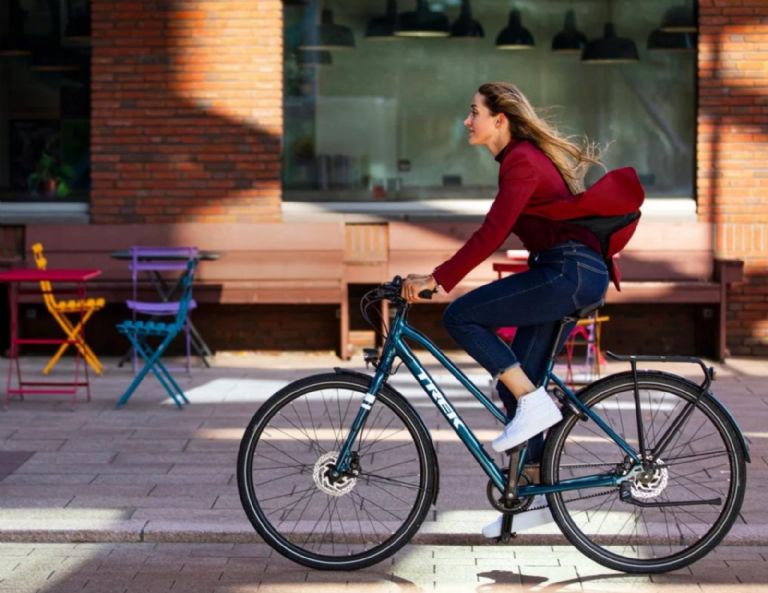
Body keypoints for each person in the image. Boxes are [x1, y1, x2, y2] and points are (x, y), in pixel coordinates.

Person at [401, 81, 636, 538]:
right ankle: (530, 498)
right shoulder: (519, 160)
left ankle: (534, 403)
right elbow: (499, 232)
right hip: (566, 270)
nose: (467, 121)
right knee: (515, 382)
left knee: (460, 316)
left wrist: (437, 280)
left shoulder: (522, 162)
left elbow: (493, 232)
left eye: (474, 112)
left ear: (499, 119)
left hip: (567, 271)